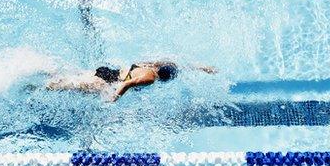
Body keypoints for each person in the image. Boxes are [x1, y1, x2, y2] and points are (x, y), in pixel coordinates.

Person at [43, 61, 216, 102]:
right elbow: (126, 84)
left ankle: (45, 70)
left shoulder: (152, 66)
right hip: (106, 82)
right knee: (67, 86)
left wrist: (203, 68)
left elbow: (181, 66)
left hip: (107, 70)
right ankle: (39, 86)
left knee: (73, 78)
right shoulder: (150, 78)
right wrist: (114, 99)